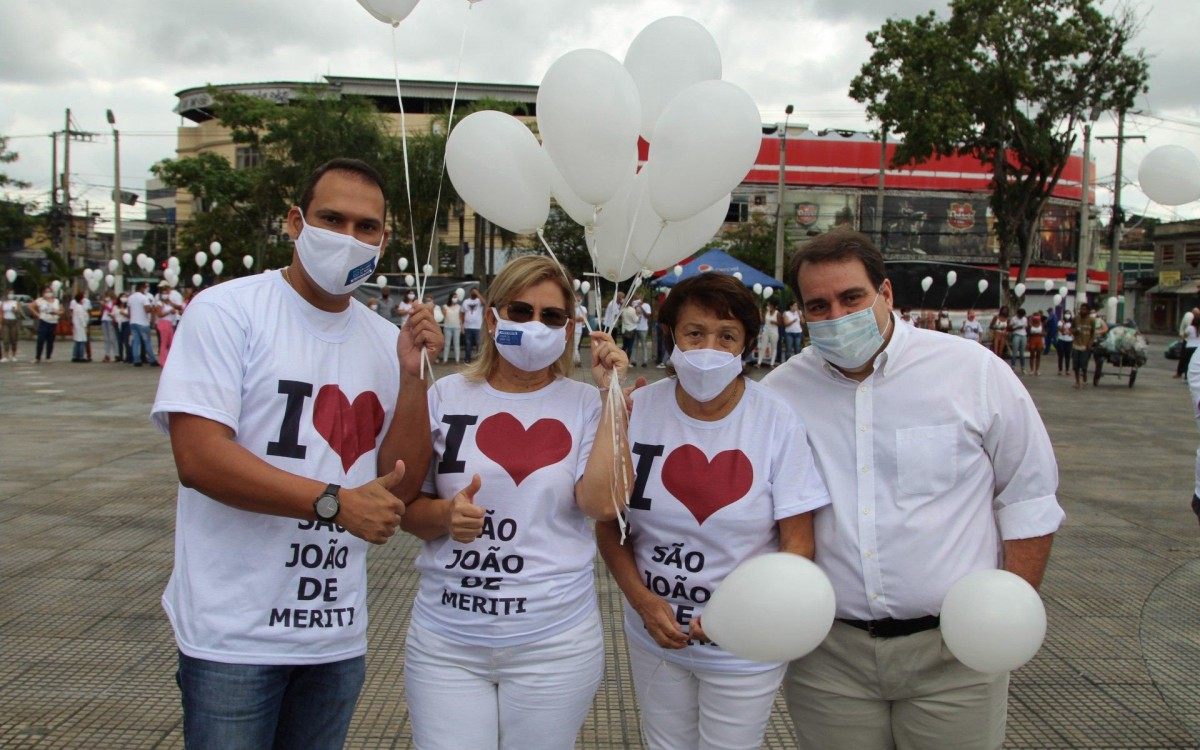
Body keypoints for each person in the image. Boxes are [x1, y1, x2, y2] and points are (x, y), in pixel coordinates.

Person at [150, 157, 443, 749]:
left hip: (334, 634)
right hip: (233, 634)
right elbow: (199, 458)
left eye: (366, 227)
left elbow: (402, 486)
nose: (348, 239)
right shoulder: (227, 311)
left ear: (383, 241)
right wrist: (332, 503)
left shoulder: (386, 341)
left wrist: (414, 380)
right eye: (331, 219)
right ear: (294, 222)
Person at [763, 230, 1063, 749]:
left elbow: (1028, 495)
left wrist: (1008, 612)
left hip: (955, 653)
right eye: (818, 305)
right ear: (802, 312)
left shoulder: (973, 372)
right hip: (828, 657)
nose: (836, 315)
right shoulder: (779, 394)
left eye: (851, 298)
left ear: (886, 293)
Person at [399, 254, 630, 750]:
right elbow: (410, 513)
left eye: (551, 317)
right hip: (447, 640)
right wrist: (445, 514)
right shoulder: (446, 396)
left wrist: (612, 399)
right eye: (520, 311)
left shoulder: (585, 403)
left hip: (554, 642)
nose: (535, 325)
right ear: (492, 316)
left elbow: (599, 505)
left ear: (568, 329)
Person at [596, 272, 830, 750]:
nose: (709, 348)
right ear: (671, 337)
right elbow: (609, 525)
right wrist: (643, 602)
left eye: (727, 336)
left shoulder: (775, 420)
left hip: (744, 644)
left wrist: (744, 613)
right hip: (654, 633)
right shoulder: (638, 409)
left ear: (746, 345)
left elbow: (798, 542)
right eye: (694, 333)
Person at [1072, 303, 1106, 389]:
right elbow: (1071, 329)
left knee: (1083, 364)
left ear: (1088, 311)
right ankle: (1077, 381)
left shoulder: (1091, 320)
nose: (1082, 311)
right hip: (1076, 345)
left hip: (1086, 346)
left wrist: (1090, 344)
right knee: (1076, 365)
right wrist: (1075, 331)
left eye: (1084, 309)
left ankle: (1084, 378)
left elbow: (1093, 333)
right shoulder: (1076, 319)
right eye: (1081, 309)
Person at [126, 281, 158, 367]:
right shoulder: (143, 298)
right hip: (143, 322)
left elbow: (129, 312)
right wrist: (153, 309)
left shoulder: (130, 298)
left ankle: (136, 360)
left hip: (133, 322)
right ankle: (152, 360)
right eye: (145, 287)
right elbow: (147, 310)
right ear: (142, 288)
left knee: (136, 341)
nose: (146, 289)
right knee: (147, 341)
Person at [29, 287, 62, 364]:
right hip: (44, 321)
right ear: (43, 293)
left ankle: (48, 357)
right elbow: (30, 306)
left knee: (50, 341)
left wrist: (57, 312)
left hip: (53, 322)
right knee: (41, 340)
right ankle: (37, 357)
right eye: (46, 292)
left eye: (50, 292)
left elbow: (62, 310)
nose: (48, 293)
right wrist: (37, 314)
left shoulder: (56, 300)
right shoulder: (40, 300)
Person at [156, 282, 184, 366]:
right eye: (165, 293)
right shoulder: (159, 303)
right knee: (164, 342)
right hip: (163, 323)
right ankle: (163, 361)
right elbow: (159, 314)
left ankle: (170, 360)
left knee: (171, 342)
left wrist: (171, 304)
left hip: (170, 323)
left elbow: (179, 307)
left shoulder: (169, 303)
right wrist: (169, 312)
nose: (167, 294)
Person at [1175, 308, 1200, 379]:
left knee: (1187, 361)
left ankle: (1186, 375)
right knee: (1195, 362)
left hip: (1189, 346)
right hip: (1197, 347)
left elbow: (1184, 335)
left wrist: (1185, 337)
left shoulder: (1190, 327)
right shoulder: (1188, 317)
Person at [757, 300, 782, 367]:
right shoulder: (766, 312)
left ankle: (772, 364)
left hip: (774, 332)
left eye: (769, 305)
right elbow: (762, 322)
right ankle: (759, 363)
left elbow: (780, 324)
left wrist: (775, 322)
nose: (768, 307)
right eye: (768, 305)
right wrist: (760, 314)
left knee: (774, 348)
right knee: (763, 347)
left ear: (773, 306)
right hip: (766, 331)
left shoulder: (777, 313)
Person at [462, 287, 484, 362]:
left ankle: (479, 360)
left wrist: (477, 293)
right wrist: (462, 325)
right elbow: (462, 313)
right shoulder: (466, 301)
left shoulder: (479, 301)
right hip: (467, 326)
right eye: (473, 292)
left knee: (478, 343)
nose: (474, 293)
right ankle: (467, 358)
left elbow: (485, 303)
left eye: (475, 292)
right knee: (468, 344)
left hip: (477, 327)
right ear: (470, 292)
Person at [69, 290, 91, 362]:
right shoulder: (80, 307)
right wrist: (85, 326)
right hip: (81, 326)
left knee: (77, 341)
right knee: (81, 341)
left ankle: (75, 355)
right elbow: (82, 318)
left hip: (77, 326)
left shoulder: (76, 307)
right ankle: (80, 356)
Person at [441, 292, 463, 364]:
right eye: (454, 297)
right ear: (450, 298)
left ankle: (457, 360)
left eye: (456, 297)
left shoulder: (459, 307)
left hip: (457, 327)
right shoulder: (445, 306)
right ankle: (445, 360)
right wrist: (444, 311)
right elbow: (442, 316)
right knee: (447, 344)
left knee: (456, 343)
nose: (455, 299)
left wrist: (462, 327)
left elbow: (460, 317)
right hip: (447, 327)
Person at [2, 290, 23, 362]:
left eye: (12, 293)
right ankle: (6, 355)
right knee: (5, 339)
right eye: (9, 293)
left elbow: (19, 313)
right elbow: (1, 313)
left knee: (14, 339)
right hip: (5, 322)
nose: (11, 295)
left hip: (13, 322)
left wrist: (15, 311)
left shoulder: (16, 303)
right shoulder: (2, 303)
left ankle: (14, 355)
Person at [100, 291, 119, 363]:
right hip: (104, 320)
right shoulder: (106, 302)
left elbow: (111, 310)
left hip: (110, 321)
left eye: (107, 296)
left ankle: (116, 354)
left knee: (112, 338)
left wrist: (105, 305)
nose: (106, 297)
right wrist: (103, 306)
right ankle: (107, 354)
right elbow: (103, 312)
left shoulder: (114, 302)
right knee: (106, 339)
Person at [634, 295, 651, 367]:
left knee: (644, 345)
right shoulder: (634, 305)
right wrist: (634, 307)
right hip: (635, 328)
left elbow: (648, 316)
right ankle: (633, 361)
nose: (637, 300)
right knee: (634, 345)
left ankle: (645, 361)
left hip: (643, 328)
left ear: (642, 299)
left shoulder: (646, 305)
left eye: (638, 299)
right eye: (636, 299)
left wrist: (641, 307)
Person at [1009, 307, 1028, 373]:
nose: (1021, 317)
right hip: (1016, 334)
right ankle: (1013, 366)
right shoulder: (1013, 319)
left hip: (1023, 335)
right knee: (1014, 352)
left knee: (1022, 353)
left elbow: (1026, 327)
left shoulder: (1025, 319)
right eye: (1020, 315)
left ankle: (1023, 367)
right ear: (1018, 314)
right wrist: (1017, 327)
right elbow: (1010, 328)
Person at [1055, 309, 1074, 375]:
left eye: (1069, 314)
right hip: (1061, 340)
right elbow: (1061, 330)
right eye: (1066, 313)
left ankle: (1067, 370)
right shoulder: (1060, 321)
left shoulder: (1072, 322)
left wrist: (1068, 331)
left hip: (1069, 340)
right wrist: (1063, 324)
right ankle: (1060, 370)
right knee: (1060, 356)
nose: (1067, 315)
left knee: (1068, 356)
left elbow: (1072, 331)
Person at [1027, 311, 1045, 376]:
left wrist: (1041, 334)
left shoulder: (1041, 324)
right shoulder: (1030, 324)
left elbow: (1044, 333)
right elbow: (1028, 333)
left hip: (1039, 339)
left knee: (1038, 355)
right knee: (1032, 355)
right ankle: (1031, 370)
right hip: (1032, 339)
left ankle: (1037, 370)